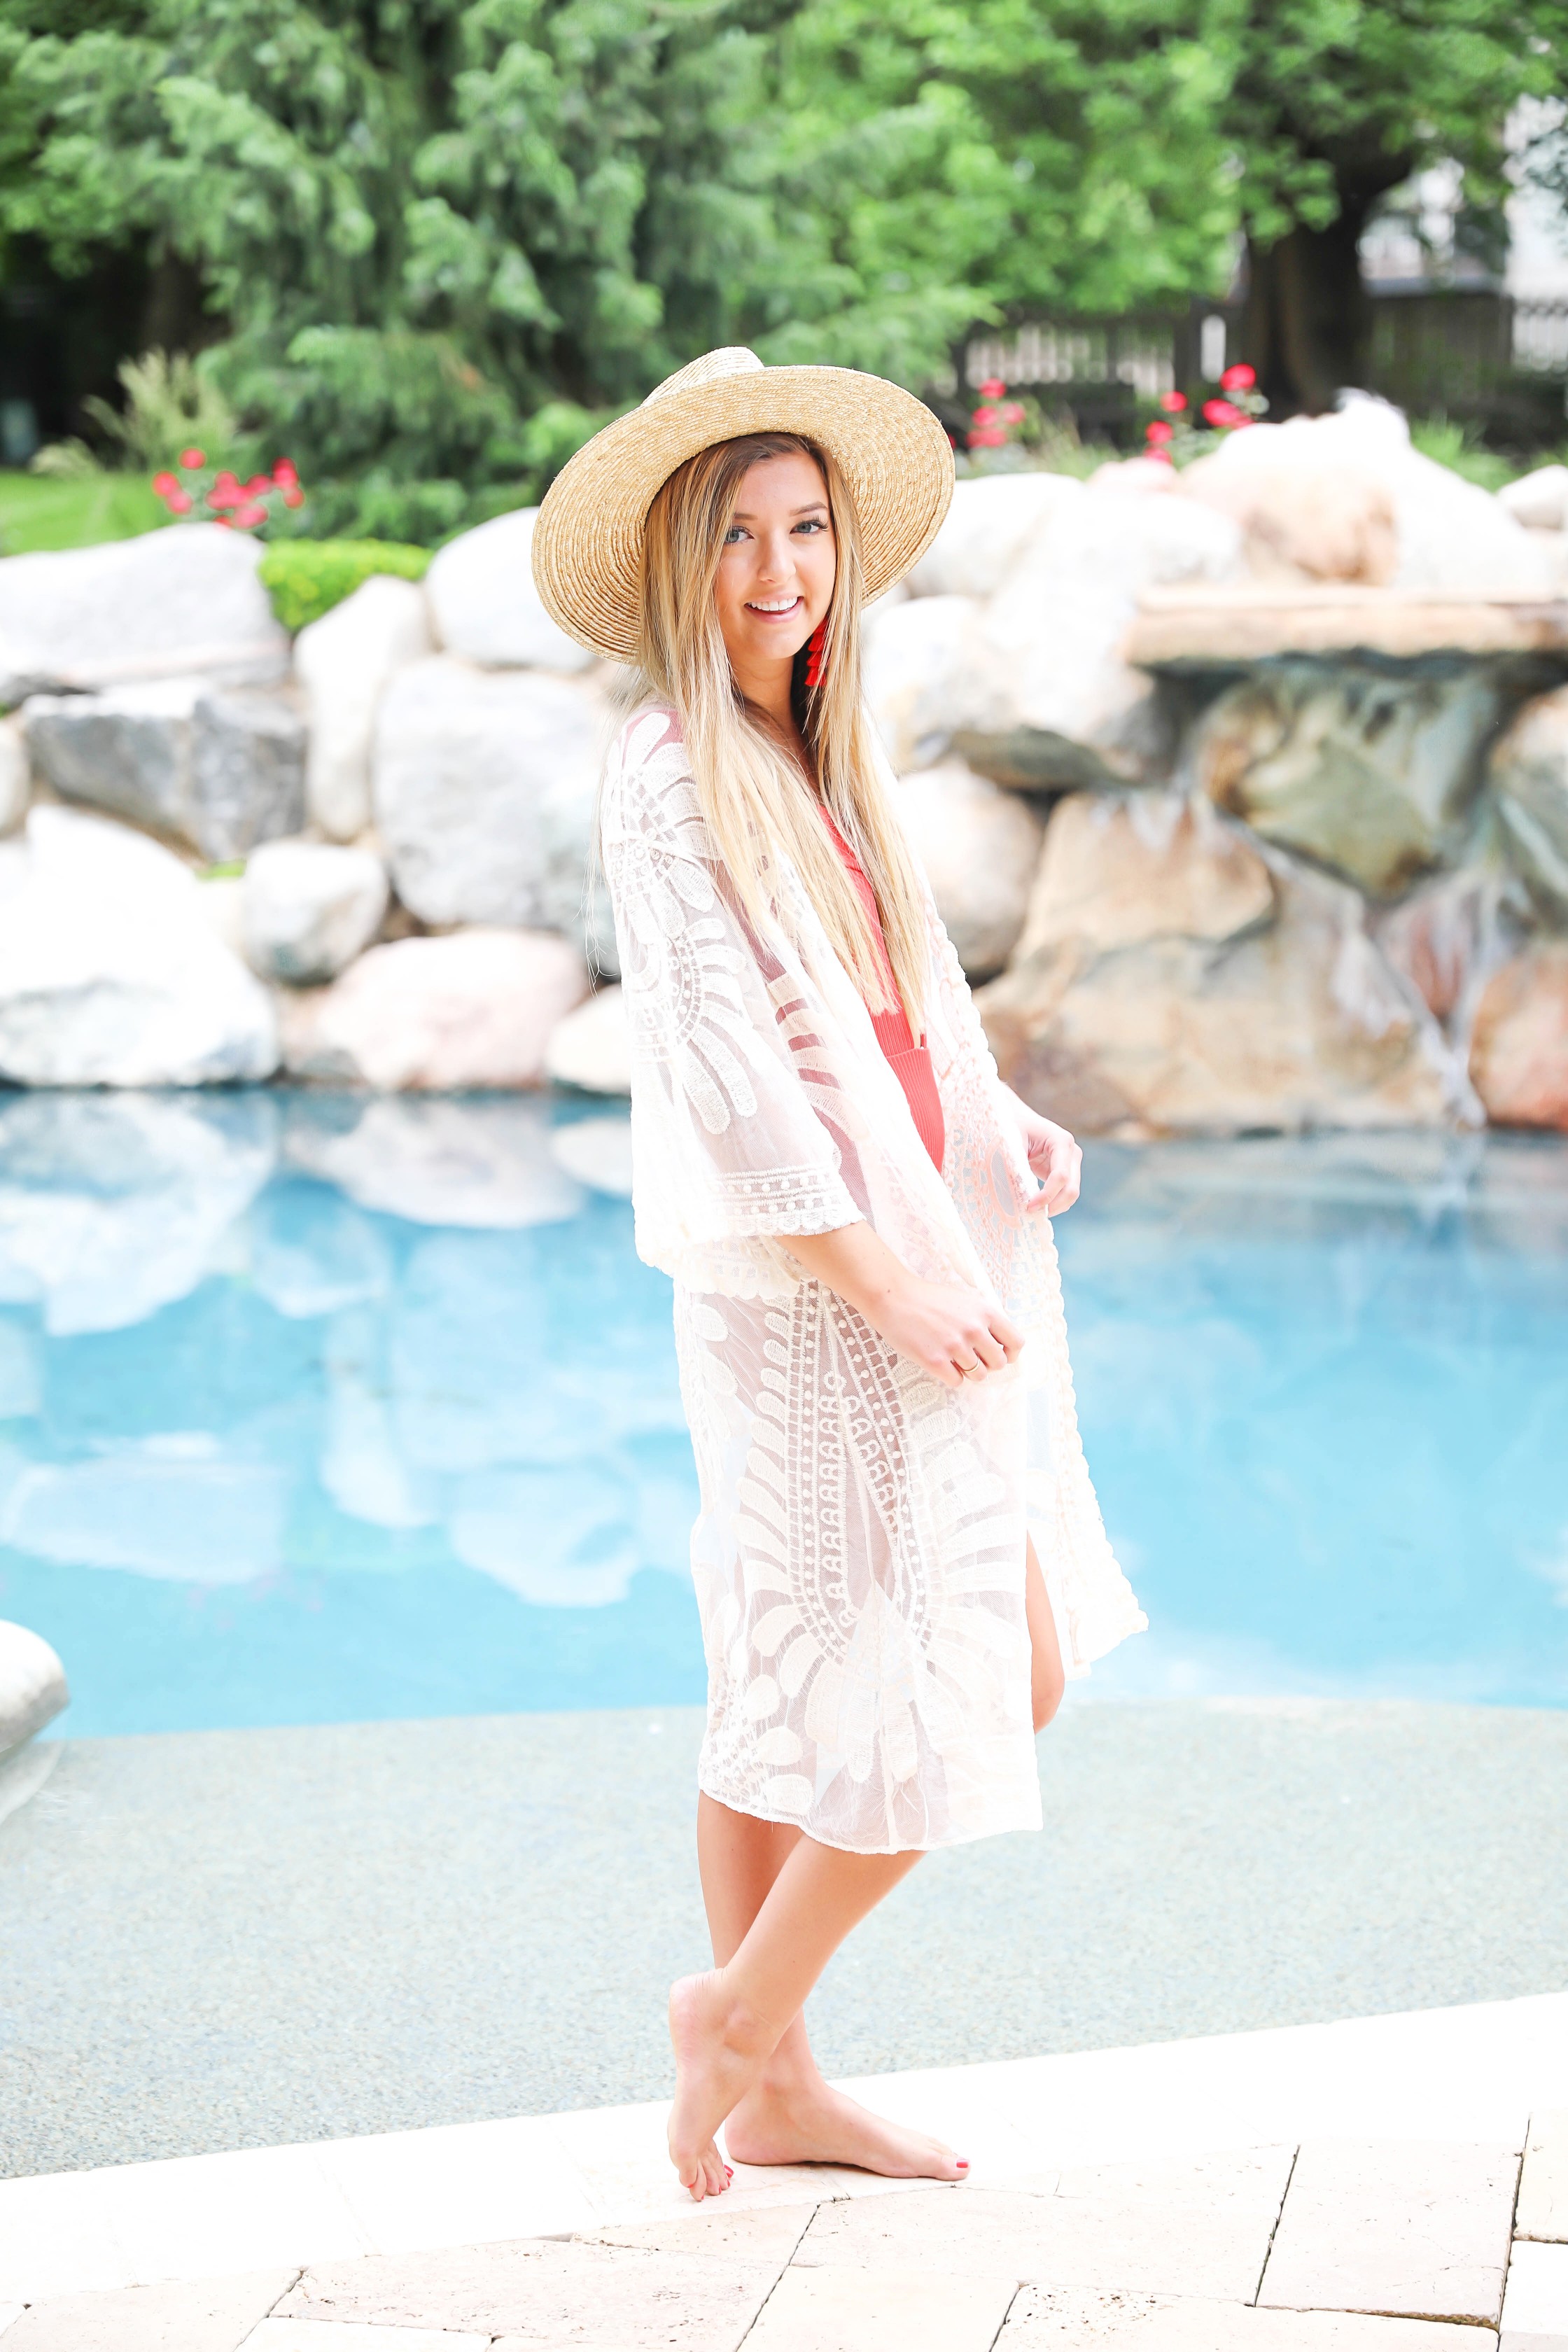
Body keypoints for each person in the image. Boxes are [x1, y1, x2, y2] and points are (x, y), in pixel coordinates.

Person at [533, 349, 1144, 2202]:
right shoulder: (667, 778)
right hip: (808, 1296)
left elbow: (907, 1011)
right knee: (903, 1670)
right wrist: (887, 1283)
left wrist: (1000, 1120)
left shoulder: (825, 745)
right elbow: (727, 1084)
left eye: (805, 528)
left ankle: (769, 2059)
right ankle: (743, 2027)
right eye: (737, 535)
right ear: (676, 562)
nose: (779, 567)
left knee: (827, 1673)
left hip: (909, 1240)